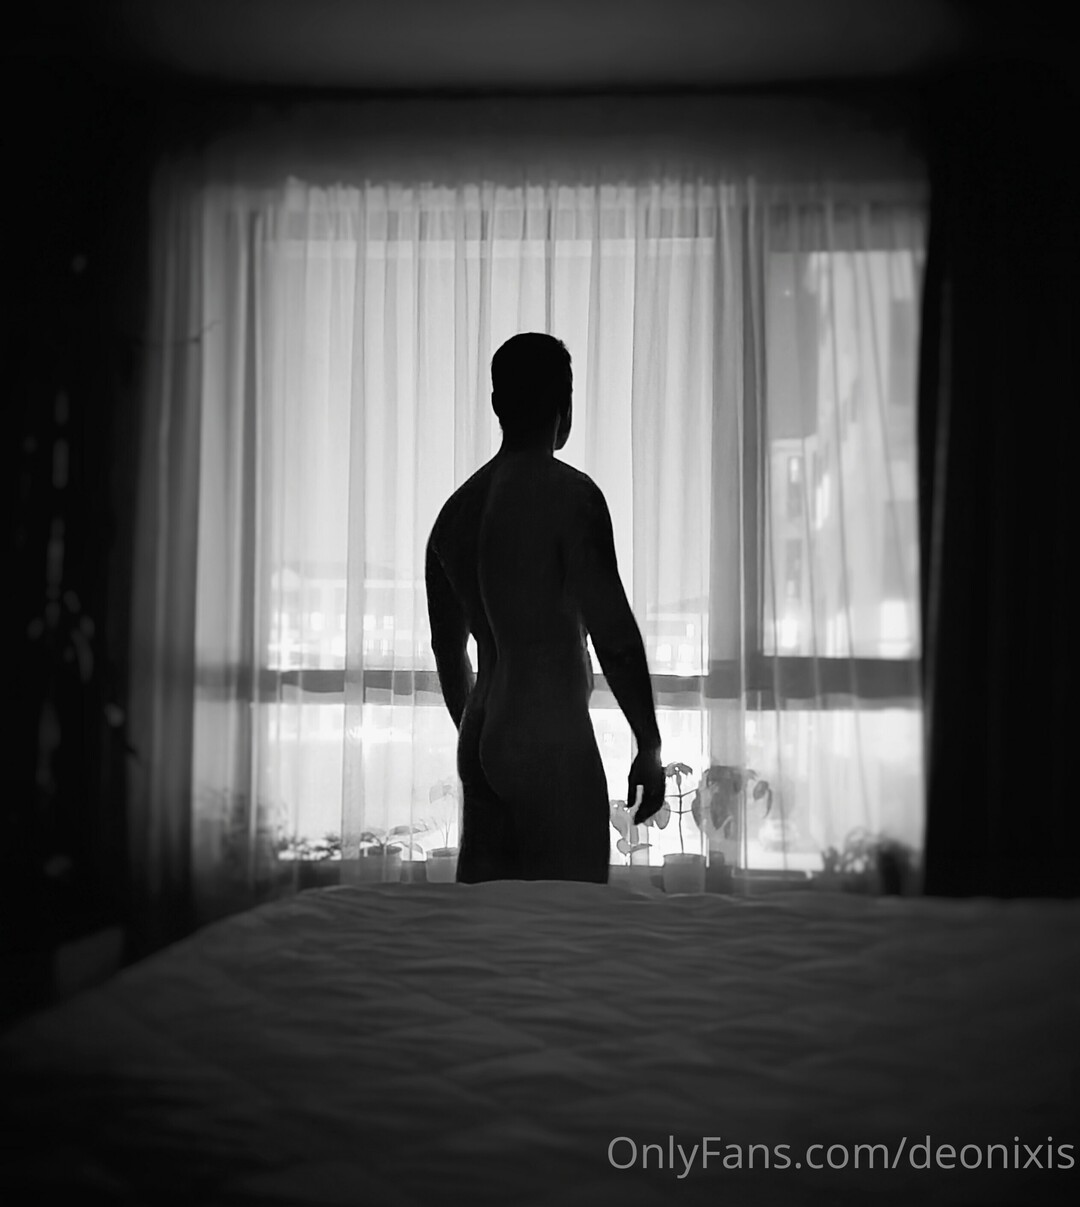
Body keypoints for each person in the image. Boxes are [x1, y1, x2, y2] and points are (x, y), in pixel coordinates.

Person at [425, 332, 665, 883]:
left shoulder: (454, 514)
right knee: (570, 916)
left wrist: (483, 738)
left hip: (479, 730)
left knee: (492, 922)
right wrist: (648, 744)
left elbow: (447, 649)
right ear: (565, 406)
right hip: (549, 733)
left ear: (498, 404)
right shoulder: (571, 496)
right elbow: (614, 636)